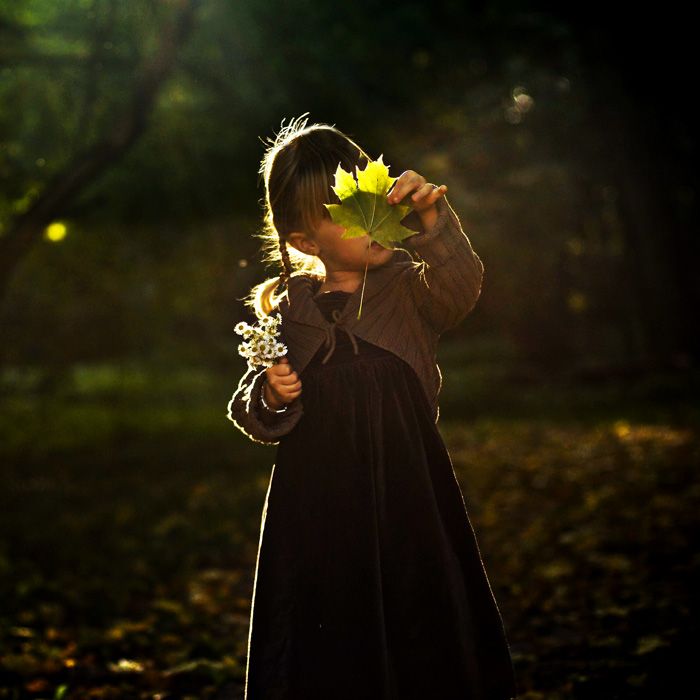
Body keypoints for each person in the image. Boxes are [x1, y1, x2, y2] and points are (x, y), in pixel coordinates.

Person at [227, 113, 518, 699]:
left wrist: (437, 224)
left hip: (408, 488)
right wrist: (272, 393)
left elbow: (461, 290)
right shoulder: (293, 314)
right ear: (305, 241)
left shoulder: (411, 290)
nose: (371, 223)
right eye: (345, 215)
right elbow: (253, 410)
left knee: (417, 608)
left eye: (368, 200)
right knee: (333, 627)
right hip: (319, 507)